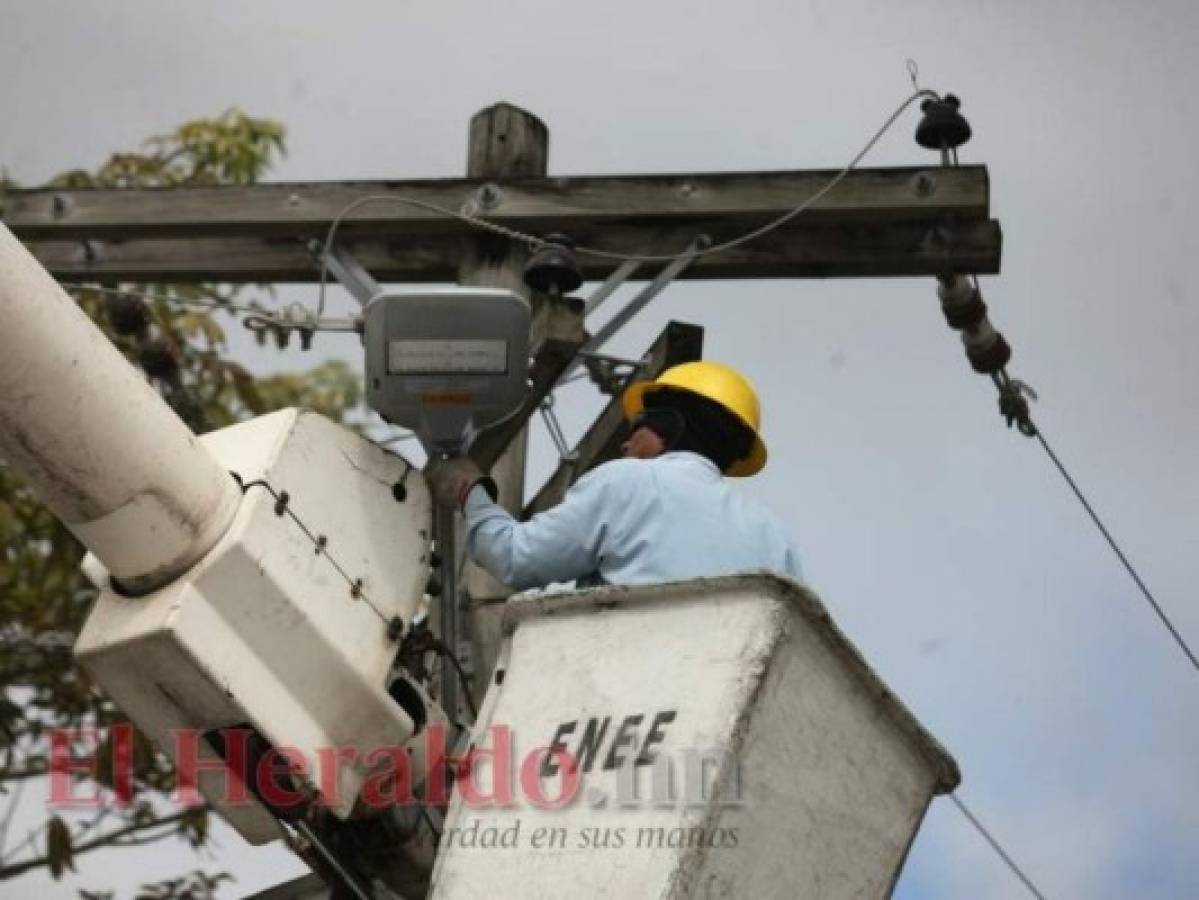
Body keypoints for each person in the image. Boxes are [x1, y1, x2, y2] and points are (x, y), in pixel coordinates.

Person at [425, 361, 803, 591]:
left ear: (667, 428)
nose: (624, 446)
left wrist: (469, 490)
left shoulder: (626, 482)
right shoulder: (774, 535)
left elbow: (515, 557)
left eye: (634, 430)